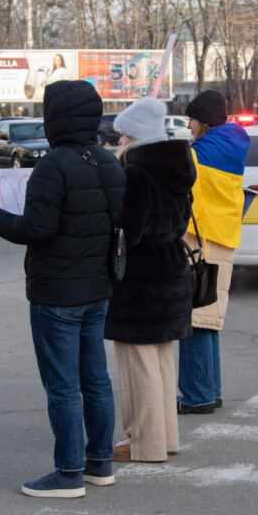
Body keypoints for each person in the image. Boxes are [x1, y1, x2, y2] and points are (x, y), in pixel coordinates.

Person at [0, 80, 126, 498]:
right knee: (94, 380)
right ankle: (99, 464)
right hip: (97, 289)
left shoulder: (53, 166)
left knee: (62, 385)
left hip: (56, 294)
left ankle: (67, 473)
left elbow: (35, 229)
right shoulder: (109, 162)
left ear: (53, 116)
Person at [105, 96, 196, 462]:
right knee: (161, 361)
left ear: (136, 138)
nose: (119, 143)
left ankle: (145, 443)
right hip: (172, 268)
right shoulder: (177, 167)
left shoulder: (138, 173)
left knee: (136, 364)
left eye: (123, 137)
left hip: (141, 278)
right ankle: (166, 438)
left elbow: (130, 232)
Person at [177, 90, 250, 415]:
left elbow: (179, 184)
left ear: (203, 121)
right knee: (209, 319)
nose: (189, 126)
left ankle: (197, 396)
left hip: (202, 240)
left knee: (196, 319)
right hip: (222, 238)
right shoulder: (229, 147)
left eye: (191, 119)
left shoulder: (199, 156)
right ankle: (211, 391)